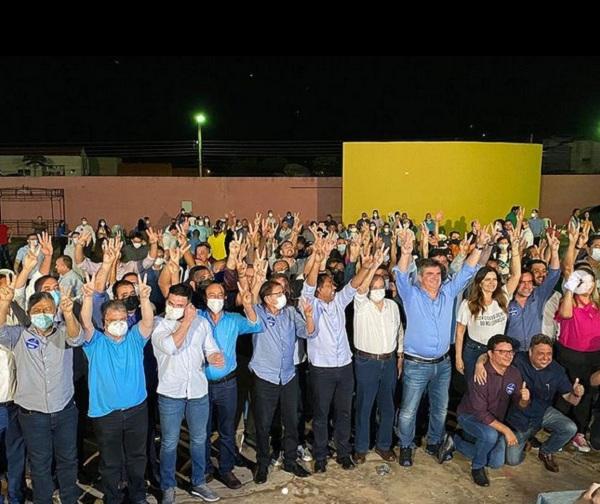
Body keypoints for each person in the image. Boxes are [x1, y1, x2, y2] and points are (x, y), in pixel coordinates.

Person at [393, 227, 489, 467]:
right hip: (416, 365)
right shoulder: (411, 295)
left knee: (440, 409)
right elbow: (402, 275)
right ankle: (406, 445)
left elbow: (466, 272)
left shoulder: (448, 292)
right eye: (429, 274)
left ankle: (434, 442)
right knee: (408, 411)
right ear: (421, 278)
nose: (435, 278)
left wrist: (478, 247)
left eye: (438, 274)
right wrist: (406, 252)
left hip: (443, 364)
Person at [0, 279, 83, 504]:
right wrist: (5, 303)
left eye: (47, 310)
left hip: (64, 411)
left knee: (67, 460)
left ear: (54, 311)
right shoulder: (19, 335)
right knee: (40, 464)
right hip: (33, 415)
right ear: (29, 313)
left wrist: (68, 313)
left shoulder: (65, 330)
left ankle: (69, 498)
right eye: (37, 311)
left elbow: (77, 338)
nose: (42, 314)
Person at [80, 273, 155, 504]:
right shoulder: (95, 342)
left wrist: (143, 298)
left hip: (136, 411)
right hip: (106, 415)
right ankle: (112, 498)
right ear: (104, 323)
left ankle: (138, 496)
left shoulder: (134, 338)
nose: (120, 323)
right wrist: (88, 297)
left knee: (137, 457)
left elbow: (148, 322)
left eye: (123, 318)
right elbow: (84, 320)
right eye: (114, 319)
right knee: (111, 462)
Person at [152, 283, 225, 503]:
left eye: (180, 305)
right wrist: (187, 321)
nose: (174, 307)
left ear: (189, 305)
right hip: (170, 393)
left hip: (197, 392)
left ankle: (198, 482)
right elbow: (172, 346)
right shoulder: (158, 325)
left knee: (199, 439)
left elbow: (210, 347)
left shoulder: (202, 323)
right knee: (169, 442)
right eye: (171, 303)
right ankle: (167, 486)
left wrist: (213, 356)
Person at [476, 335, 581, 473]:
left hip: (542, 413)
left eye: (549, 354)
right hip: (517, 420)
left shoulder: (557, 370)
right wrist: (479, 363)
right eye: (540, 353)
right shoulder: (517, 359)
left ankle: (546, 451)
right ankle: (527, 440)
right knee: (512, 461)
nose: (545, 358)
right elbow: (489, 354)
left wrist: (577, 394)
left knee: (569, 428)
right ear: (530, 352)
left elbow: (571, 399)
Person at [452, 335, 529, 487]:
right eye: (502, 352)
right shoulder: (480, 374)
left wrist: (524, 400)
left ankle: (454, 441)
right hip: (470, 416)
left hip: (494, 420)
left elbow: (518, 404)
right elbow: (480, 413)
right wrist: (506, 430)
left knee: (496, 462)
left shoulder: (514, 373)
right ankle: (477, 467)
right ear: (490, 354)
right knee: (490, 435)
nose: (508, 355)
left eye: (510, 352)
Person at [555, 267, 600, 453]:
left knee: (587, 394)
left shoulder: (597, 305)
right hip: (569, 354)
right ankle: (560, 430)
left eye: (589, 282)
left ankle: (579, 432)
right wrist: (570, 288)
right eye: (582, 282)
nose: (587, 287)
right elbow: (565, 315)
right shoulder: (569, 303)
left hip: (594, 356)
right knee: (566, 391)